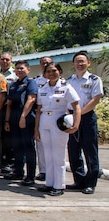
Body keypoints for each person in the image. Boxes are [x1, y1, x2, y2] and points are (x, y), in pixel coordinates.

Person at [35, 63, 81, 196]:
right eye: (48, 71)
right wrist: (36, 129)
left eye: (54, 71)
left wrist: (76, 125)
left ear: (60, 72)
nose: (51, 73)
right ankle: (49, 183)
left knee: (58, 155)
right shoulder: (42, 88)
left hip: (59, 120)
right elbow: (38, 110)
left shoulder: (66, 87)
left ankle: (59, 185)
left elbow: (76, 106)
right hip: (45, 120)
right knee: (47, 154)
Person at [66, 51, 104, 194]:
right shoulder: (69, 81)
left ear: (89, 63)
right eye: (77, 61)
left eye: (83, 61)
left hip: (87, 118)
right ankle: (79, 181)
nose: (80, 64)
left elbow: (95, 99)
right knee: (73, 150)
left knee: (90, 151)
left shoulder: (94, 80)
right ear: (73, 64)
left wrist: (79, 113)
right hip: (72, 118)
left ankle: (90, 183)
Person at [4, 60, 37, 186]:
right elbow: (9, 104)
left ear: (28, 70)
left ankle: (30, 176)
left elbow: (31, 99)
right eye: (17, 68)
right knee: (17, 147)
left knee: (28, 147)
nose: (19, 70)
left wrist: (23, 117)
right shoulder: (13, 85)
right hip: (14, 118)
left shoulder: (31, 82)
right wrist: (7, 120)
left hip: (26, 119)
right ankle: (18, 172)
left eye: (22, 68)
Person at [34, 56, 53, 182]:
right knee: (40, 145)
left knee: (54, 146)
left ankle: (53, 173)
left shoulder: (61, 82)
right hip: (40, 114)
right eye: (43, 63)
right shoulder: (36, 81)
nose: (45, 65)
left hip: (56, 116)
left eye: (48, 63)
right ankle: (43, 171)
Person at [0, 52, 17, 175]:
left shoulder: (15, 75)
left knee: (9, 137)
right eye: (2, 59)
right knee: (0, 137)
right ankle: (1, 162)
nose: (4, 61)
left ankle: (11, 163)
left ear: (11, 61)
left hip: (10, 108)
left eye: (7, 59)